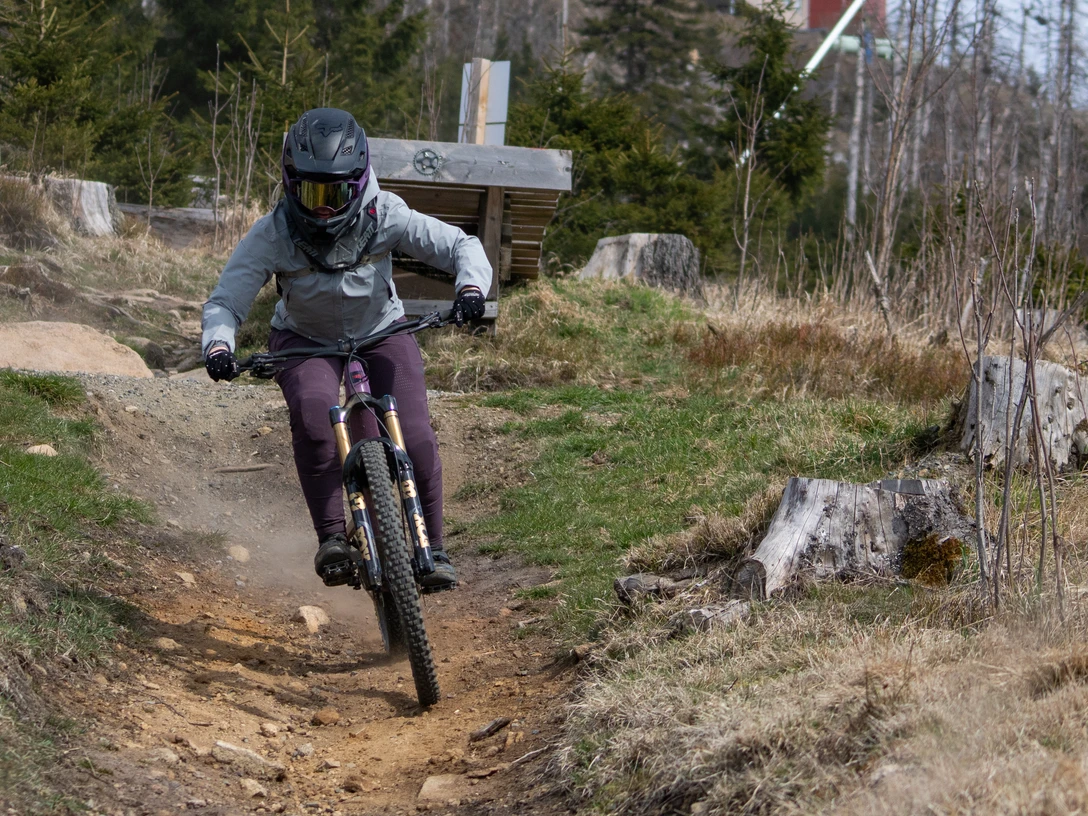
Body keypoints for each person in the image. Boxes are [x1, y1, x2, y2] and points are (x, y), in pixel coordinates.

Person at [201, 107, 491, 591]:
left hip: (381, 328)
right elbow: (226, 300)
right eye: (311, 193)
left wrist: (470, 291)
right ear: (291, 183)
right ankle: (333, 539)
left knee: (415, 435)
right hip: (304, 341)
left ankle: (434, 548)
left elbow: (460, 246)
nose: (323, 209)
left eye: (335, 194)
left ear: (358, 183)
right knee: (315, 420)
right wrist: (217, 346)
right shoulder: (272, 232)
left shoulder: (387, 214)